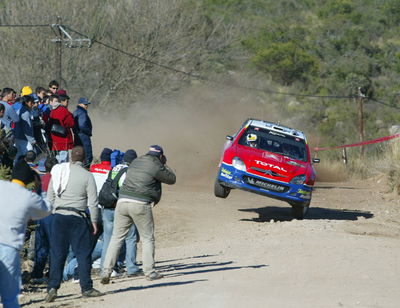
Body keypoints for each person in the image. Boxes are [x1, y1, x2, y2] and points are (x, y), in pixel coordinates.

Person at [101, 145, 176, 284]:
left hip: (122, 202)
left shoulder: (136, 161)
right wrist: (165, 164)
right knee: (147, 238)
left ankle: (106, 271)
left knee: (116, 238)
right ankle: (150, 272)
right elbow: (171, 179)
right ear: (160, 156)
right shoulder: (156, 165)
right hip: (140, 204)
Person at [45, 146, 103, 302]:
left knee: (57, 254)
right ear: (84, 159)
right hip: (78, 217)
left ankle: (52, 288)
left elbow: (49, 197)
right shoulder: (87, 176)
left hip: (59, 217)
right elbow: (93, 202)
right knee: (83, 254)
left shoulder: (58, 172)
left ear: (70, 157)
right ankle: (87, 288)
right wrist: (94, 221)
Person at [0, 160, 52, 308]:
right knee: (9, 297)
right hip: (9, 248)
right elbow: (46, 209)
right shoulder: (28, 197)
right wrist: (40, 187)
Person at [100, 149, 141, 277]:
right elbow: (125, 190)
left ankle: (105, 267)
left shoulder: (116, 167)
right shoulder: (129, 171)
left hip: (106, 207)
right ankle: (131, 268)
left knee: (108, 239)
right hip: (120, 208)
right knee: (130, 237)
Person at [48, 94, 74, 163]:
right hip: (64, 139)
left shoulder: (52, 111)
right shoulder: (65, 111)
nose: (67, 103)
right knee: (63, 159)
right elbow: (71, 124)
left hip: (54, 138)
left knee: (57, 158)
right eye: (67, 101)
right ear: (62, 102)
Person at [14, 95, 36, 162]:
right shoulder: (25, 113)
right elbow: (26, 128)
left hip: (17, 136)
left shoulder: (20, 110)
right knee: (30, 154)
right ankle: (27, 169)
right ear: (26, 102)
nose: (33, 104)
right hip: (24, 138)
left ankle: (16, 168)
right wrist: (32, 140)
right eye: (31, 102)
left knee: (19, 154)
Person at [73, 98, 93, 167]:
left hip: (77, 135)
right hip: (83, 135)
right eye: (85, 104)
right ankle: (85, 170)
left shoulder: (75, 112)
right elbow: (82, 125)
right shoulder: (82, 112)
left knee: (78, 154)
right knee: (88, 155)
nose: (86, 106)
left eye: (87, 104)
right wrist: (88, 132)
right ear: (80, 104)